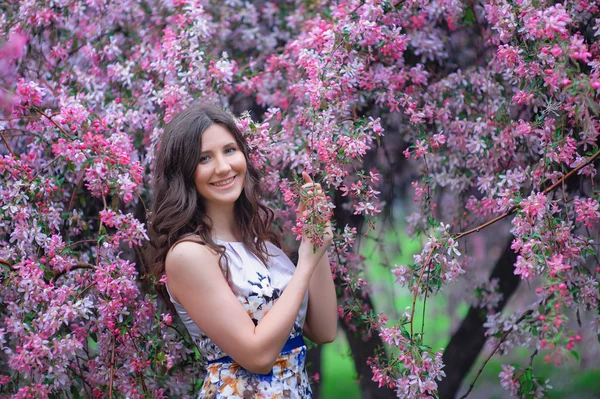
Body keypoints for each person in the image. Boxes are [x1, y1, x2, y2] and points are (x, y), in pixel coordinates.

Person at [148, 103, 338, 399]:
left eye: (230, 150)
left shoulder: (264, 246)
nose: (223, 167)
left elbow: (324, 330)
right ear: (183, 172)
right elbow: (257, 357)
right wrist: (304, 263)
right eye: (204, 158)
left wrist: (315, 238)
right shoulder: (189, 255)